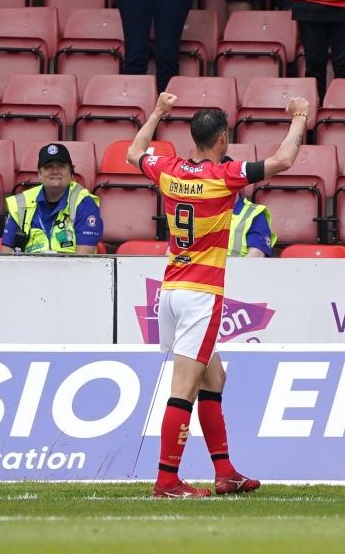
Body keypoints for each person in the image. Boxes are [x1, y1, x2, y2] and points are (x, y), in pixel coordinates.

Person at [126, 92, 309, 498]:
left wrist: (157, 113)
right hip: (200, 294)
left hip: (171, 289)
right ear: (223, 138)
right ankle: (166, 481)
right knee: (183, 389)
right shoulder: (223, 176)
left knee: (215, 377)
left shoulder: (169, 168)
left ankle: (225, 473)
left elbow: (134, 153)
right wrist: (299, 116)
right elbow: (282, 161)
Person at [2, 144, 103, 254]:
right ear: (39, 174)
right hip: (28, 265)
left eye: (61, 166)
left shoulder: (84, 203)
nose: (55, 171)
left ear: (71, 173)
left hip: (71, 265)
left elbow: (84, 259)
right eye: (48, 166)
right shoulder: (21, 203)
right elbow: (6, 255)